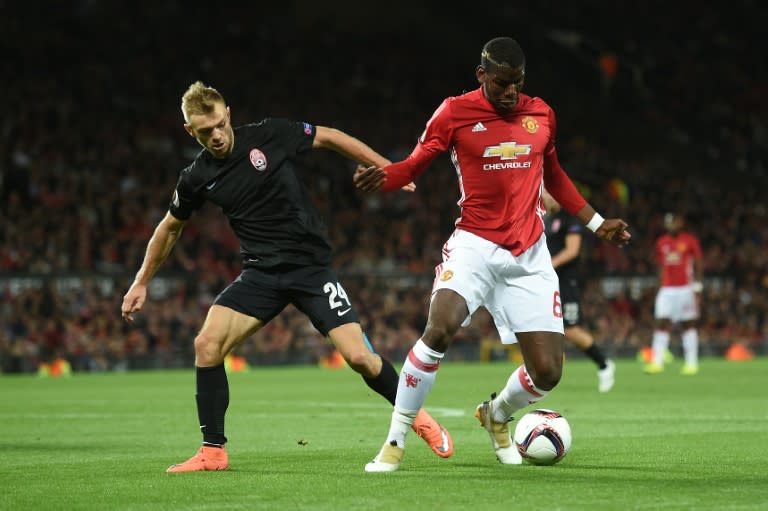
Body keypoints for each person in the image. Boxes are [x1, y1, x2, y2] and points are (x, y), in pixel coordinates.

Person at [120, 81, 453, 473]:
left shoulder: (268, 135)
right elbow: (169, 227)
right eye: (204, 131)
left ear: (228, 114)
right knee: (206, 344)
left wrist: (389, 167)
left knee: (361, 358)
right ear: (190, 132)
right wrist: (141, 280)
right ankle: (213, 451)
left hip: (310, 269)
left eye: (218, 125)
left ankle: (419, 418)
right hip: (260, 273)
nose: (216, 135)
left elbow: (328, 137)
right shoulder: (196, 176)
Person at [354, 36, 630, 472]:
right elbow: (413, 165)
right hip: (475, 246)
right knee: (439, 328)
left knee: (548, 372)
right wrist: (383, 177)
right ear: (481, 75)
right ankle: (395, 440)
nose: (510, 92)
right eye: (501, 83)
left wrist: (598, 224)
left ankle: (496, 414)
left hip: (529, 255)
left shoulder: (541, 114)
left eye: (517, 83)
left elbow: (555, 177)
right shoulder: (453, 112)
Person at [542, 190, 615, 392]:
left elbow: (572, 250)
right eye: (546, 193)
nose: (547, 197)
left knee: (571, 329)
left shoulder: (568, 219)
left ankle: (604, 364)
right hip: (546, 282)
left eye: (551, 193)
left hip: (566, 282)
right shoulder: (544, 219)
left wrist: (547, 265)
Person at [644, 212, 703, 375]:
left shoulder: (690, 240)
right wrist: (658, 287)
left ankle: (692, 363)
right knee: (661, 321)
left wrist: (698, 287)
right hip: (667, 289)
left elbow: (698, 264)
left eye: (674, 222)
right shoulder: (662, 242)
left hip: (686, 288)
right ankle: (657, 362)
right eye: (668, 222)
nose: (671, 225)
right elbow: (660, 266)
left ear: (681, 222)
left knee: (688, 324)